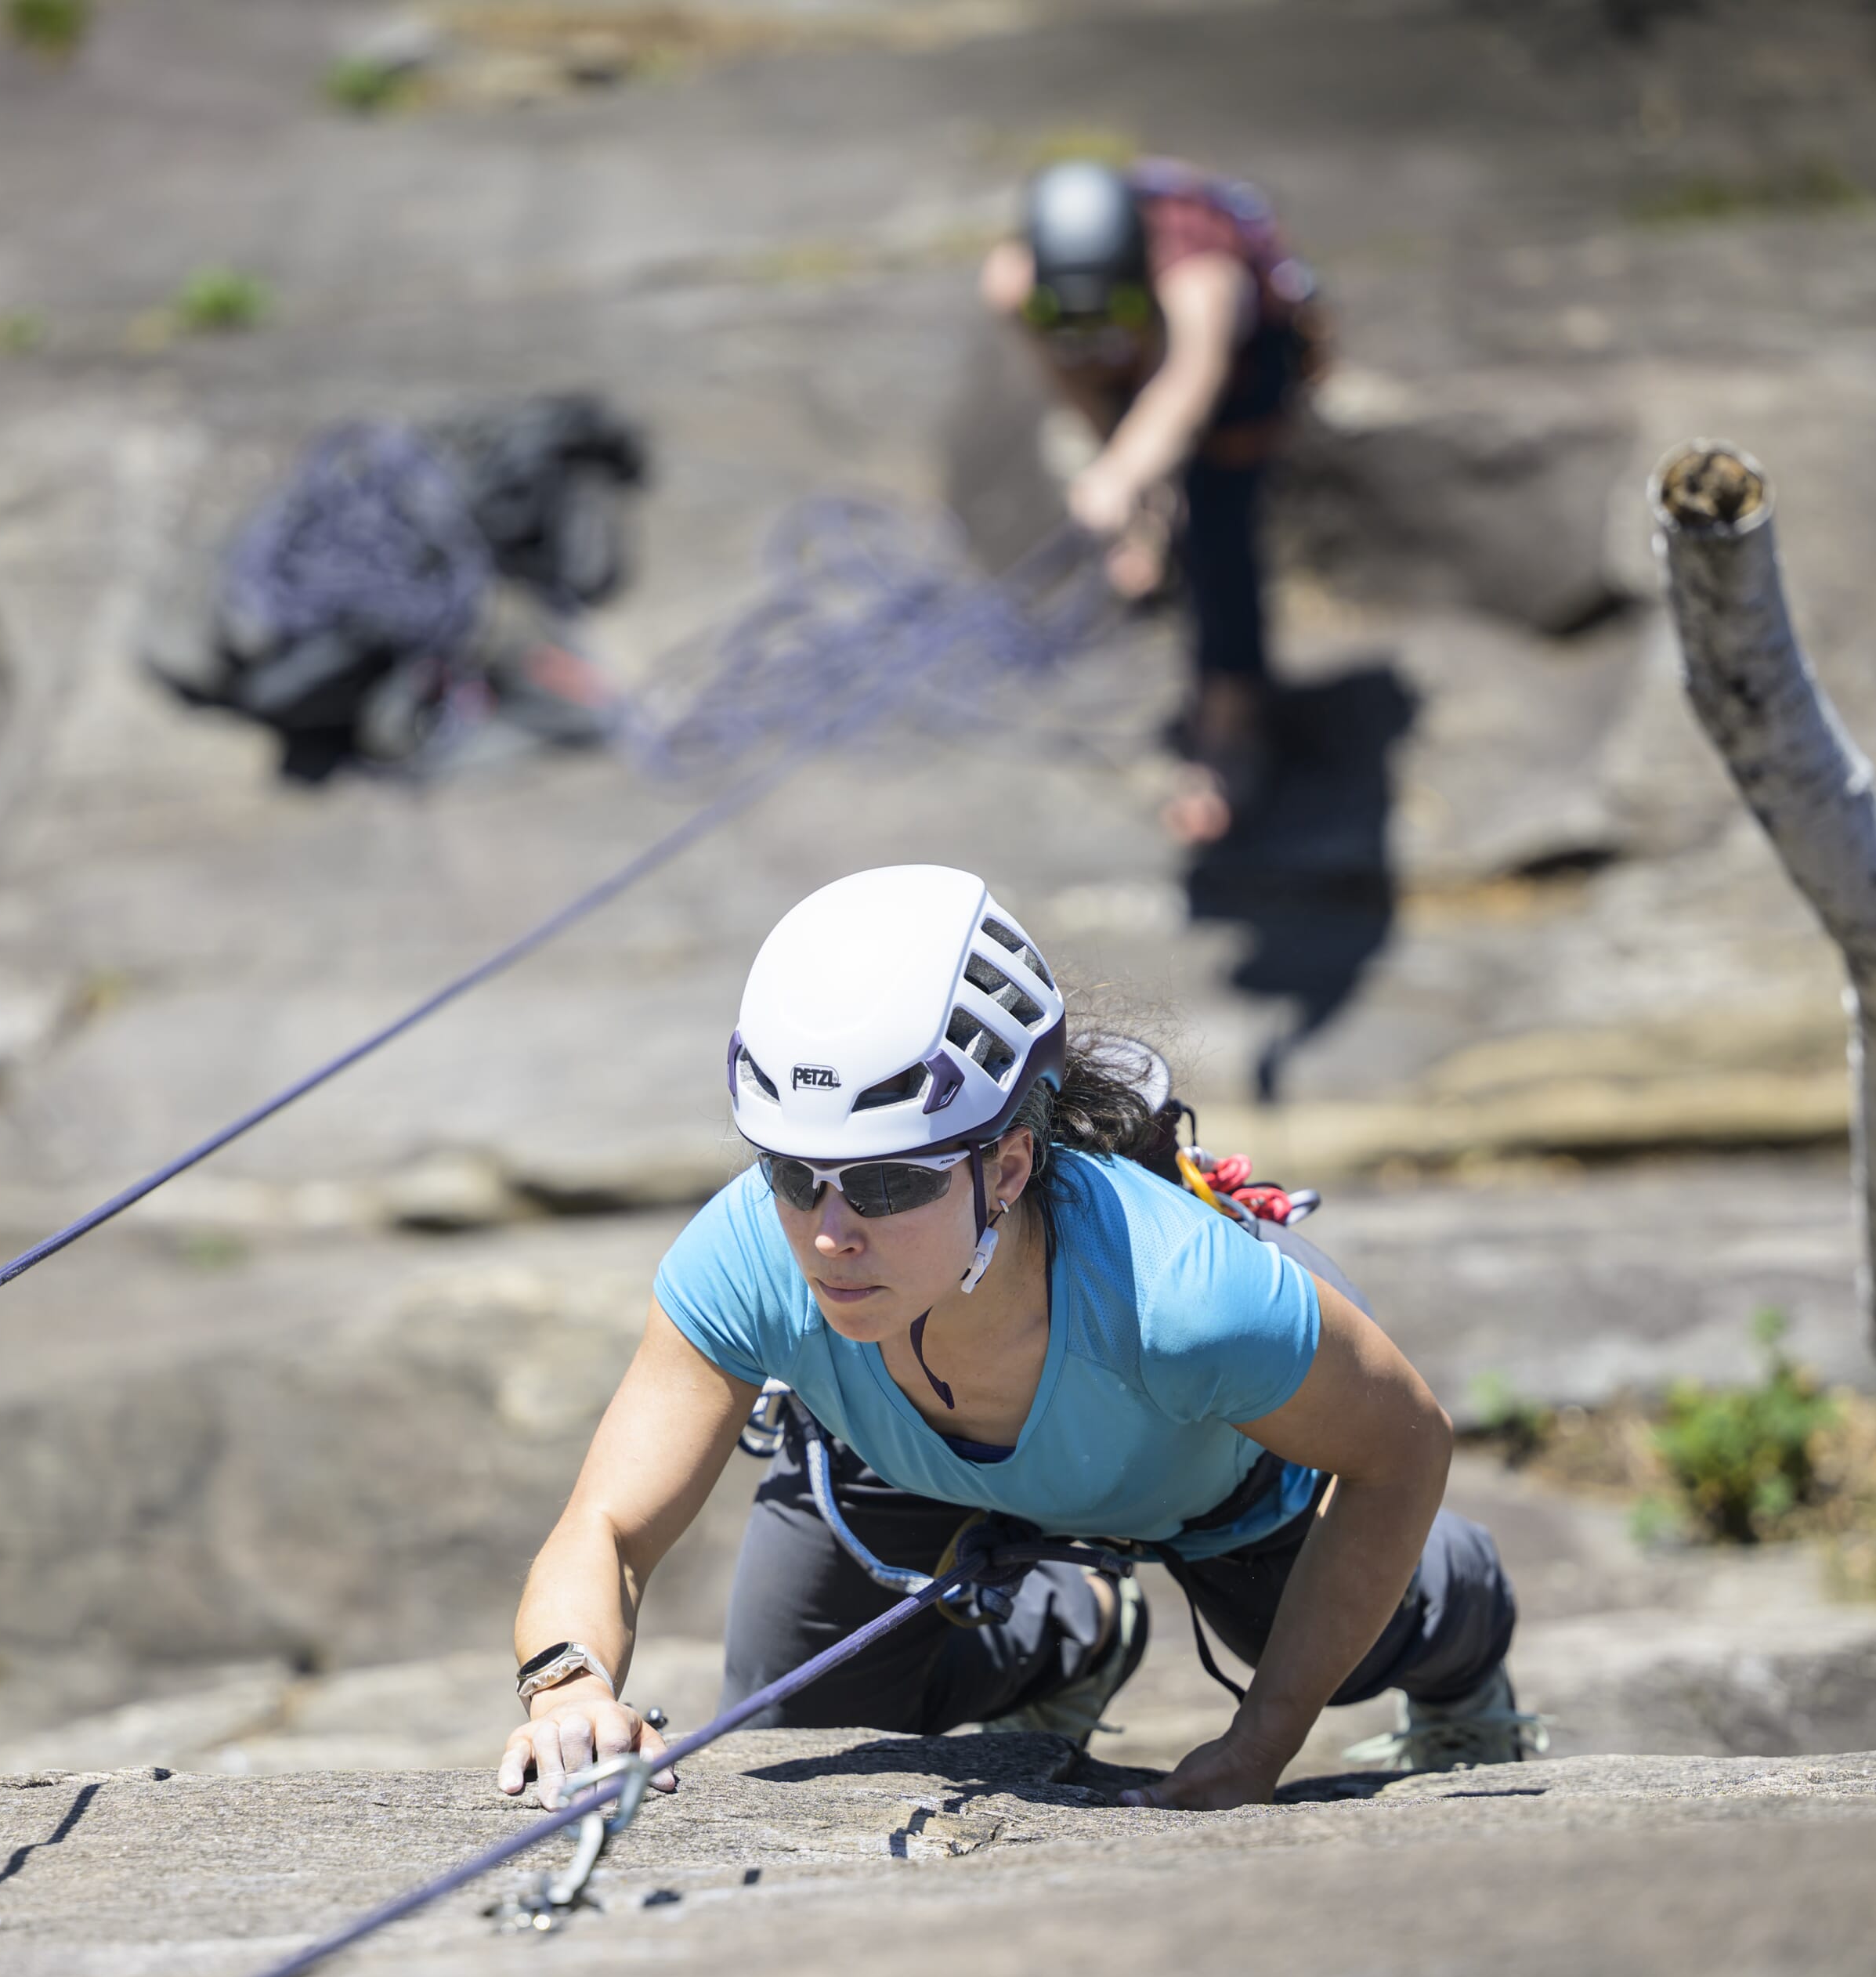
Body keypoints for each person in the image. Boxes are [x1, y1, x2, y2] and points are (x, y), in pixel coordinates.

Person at [499, 866, 1535, 1815]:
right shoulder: (745, 1256)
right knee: (807, 1735)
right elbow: (609, 1528)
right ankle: (1078, 1627)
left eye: (889, 1182)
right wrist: (568, 1685)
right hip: (901, 1466)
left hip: (1211, 1476)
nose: (827, 1232)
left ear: (1006, 1169)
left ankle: (1465, 1611)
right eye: (788, 1171)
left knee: (1334, 1654)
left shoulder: (1184, 1298)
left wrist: (1264, 1739)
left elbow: (1404, 1449)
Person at [982, 158, 1327, 845]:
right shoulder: (1017, 282)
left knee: (1221, 536)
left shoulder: (1206, 279)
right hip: (1146, 344)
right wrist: (1120, 463)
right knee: (1143, 468)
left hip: (1244, 368)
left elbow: (1185, 389)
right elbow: (1073, 375)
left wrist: (1119, 473)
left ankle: (1227, 738)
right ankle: (1149, 538)